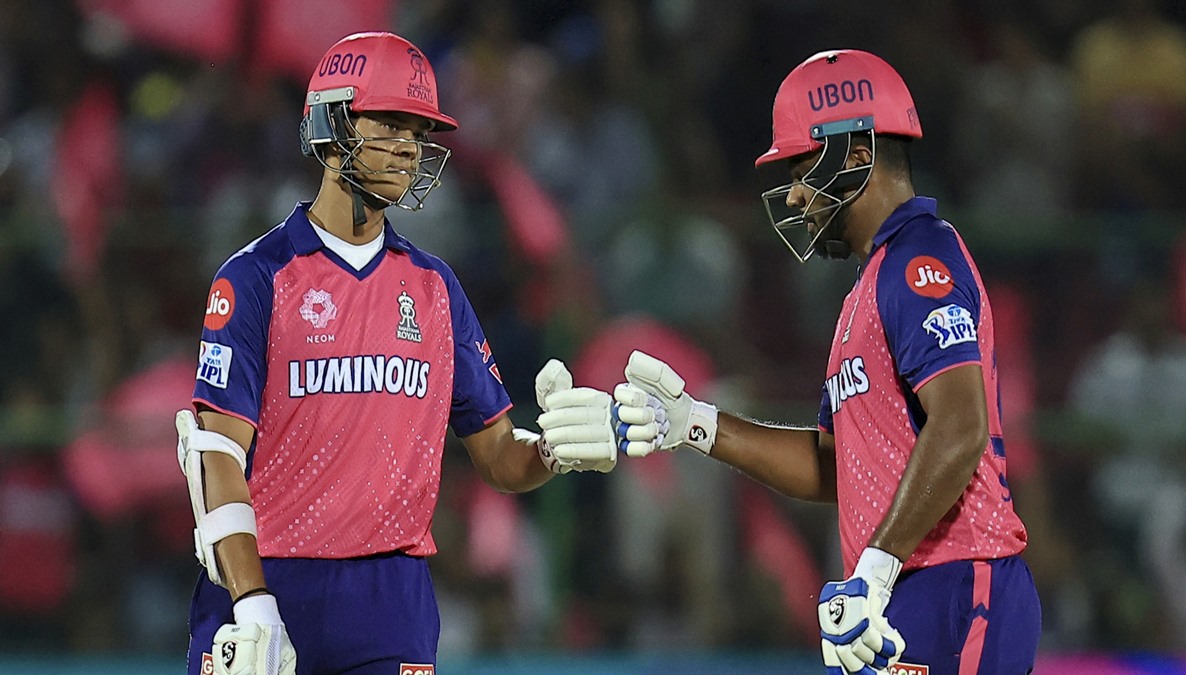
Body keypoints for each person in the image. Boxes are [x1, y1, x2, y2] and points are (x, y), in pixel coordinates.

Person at [176, 32, 617, 675]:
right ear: (330, 126)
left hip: (392, 599)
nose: (408, 147)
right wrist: (253, 604)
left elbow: (499, 456)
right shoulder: (255, 278)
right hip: (267, 580)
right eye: (388, 125)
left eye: (418, 131)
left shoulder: (436, 288)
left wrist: (554, 448)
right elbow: (217, 456)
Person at [612, 49, 1041, 673]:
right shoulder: (866, 289)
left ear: (857, 157)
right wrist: (697, 425)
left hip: (954, 581)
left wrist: (875, 569)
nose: (793, 194)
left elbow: (960, 425)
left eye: (802, 168)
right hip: (906, 586)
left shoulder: (919, 259)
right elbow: (835, 467)